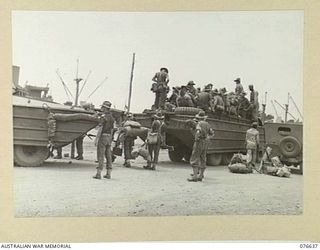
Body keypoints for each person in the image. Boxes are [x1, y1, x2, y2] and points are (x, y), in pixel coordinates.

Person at [188, 111, 214, 182]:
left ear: (198, 118)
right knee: (203, 158)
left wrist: (196, 138)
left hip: (199, 142)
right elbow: (212, 133)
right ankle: (201, 176)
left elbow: (198, 131)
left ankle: (195, 176)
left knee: (194, 158)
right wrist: (207, 138)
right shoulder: (208, 124)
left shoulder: (199, 124)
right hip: (205, 142)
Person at [93, 101, 115, 179]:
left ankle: (98, 173)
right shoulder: (112, 118)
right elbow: (112, 129)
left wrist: (96, 139)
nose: (101, 108)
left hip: (103, 137)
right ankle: (108, 173)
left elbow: (100, 128)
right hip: (109, 137)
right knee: (108, 155)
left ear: (105, 108)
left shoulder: (103, 117)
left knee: (100, 155)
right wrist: (111, 139)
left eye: (102, 107)